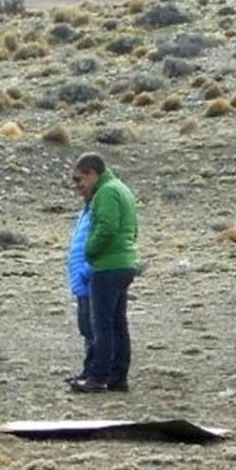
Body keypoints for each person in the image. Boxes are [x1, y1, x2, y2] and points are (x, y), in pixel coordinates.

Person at [69, 153, 138, 393]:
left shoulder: (106, 192)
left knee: (103, 326)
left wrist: (90, 251)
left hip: (107, 267)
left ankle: (97, 377)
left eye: (80, 179)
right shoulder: (121, 189)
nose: (78, 185)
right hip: (123, 264)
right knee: (118, 324)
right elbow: (132, 229)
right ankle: (117, 377)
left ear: (91, 173)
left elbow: (107, 228)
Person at [64, 168, 95, 384]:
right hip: (81, 280)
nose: (77, 187)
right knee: (86, 327)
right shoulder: (87, 209)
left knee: (93, 328)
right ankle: (88, 370)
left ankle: (95, 372)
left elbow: (104, 239)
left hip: (88, 278)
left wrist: (87, 270)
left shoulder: (98, 208)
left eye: (79, 181)